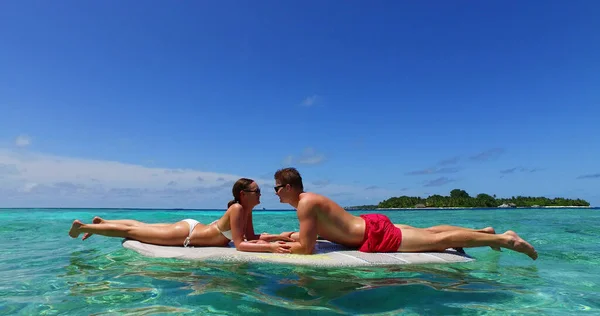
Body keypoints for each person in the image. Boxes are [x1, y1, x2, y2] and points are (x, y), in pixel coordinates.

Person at [272, 167, 538, 260]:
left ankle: (504, 239)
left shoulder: (305, 204)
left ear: (289, 186)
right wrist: (285, 236)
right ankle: (484, 233)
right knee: (430, 232)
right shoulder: (307, 201)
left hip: (374, 236)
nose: (275, 193)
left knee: (437, 242)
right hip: (371, 225)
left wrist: (268, 248)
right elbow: (316, 233)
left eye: (277, 188)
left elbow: (306, 249)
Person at [68, 178, 293, 253]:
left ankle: (104, 222)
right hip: (187, 234)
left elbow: (251, 236)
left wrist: (278, 237)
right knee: (133, 231)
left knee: (141, 225)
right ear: (244, 195)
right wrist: (270, 248)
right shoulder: (236, 209)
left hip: (192, 228)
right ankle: (83, 227)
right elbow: (241, 245)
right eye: (257, 192)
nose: (261, 194)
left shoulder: (246, 210)